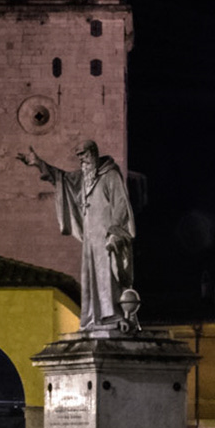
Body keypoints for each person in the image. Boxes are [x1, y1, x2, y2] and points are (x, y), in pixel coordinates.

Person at [20, 140, 135, 330]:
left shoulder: (110, 176)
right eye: (79, 156)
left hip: (106, 236)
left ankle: (113, 315)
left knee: (109, 273)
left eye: (83, 154)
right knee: (91, 275)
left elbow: (121, 204)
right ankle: (94, 317)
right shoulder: (84, 178)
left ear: (93, 153)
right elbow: (61, 178)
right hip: (90, 238)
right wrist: (39, 163)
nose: (81, 159)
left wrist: (115, 231)